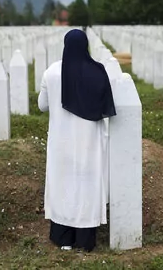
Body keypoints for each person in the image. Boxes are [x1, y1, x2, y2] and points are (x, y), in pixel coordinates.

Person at [37, 29, 116, 252]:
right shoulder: (98, 71)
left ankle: (64, 239)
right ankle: (84, 239)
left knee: (62, 185)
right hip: (89, 143)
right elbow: (105, 108)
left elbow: (42, 105)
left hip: (61, 143)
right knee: (86, 186)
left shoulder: (51, 72)